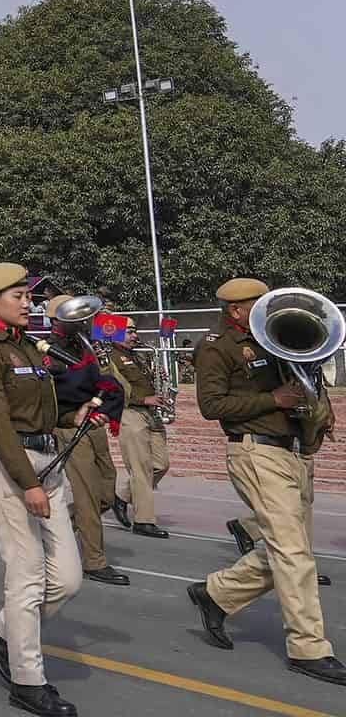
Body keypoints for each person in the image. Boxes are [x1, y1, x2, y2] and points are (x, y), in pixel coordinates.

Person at [187, 278, 345, 685]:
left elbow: (306, 378)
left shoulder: (273, 338)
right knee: (293, 552)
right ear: (235, 309)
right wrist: (272, 401)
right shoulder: (216, 347)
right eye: (257, 303)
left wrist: (318, 415)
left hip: (293, 450)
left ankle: (216, 594)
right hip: (256, 452)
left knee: (289, 547)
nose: (266, 308)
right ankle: (308, 648)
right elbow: (211, 405)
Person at [0, 263, 87, 717]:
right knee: (27, 578)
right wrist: (28, 483)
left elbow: (40, 413)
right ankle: (28, 681)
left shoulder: (29, 350)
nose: (27, 301)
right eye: (17, 295)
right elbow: (0, 426)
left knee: (69, 579)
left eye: (26, 294)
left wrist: (72, 417)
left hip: (47, 464)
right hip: (12, 471)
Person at [45, 295, 127, 587]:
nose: (84, 322)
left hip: (94, 423)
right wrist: (72, 416)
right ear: (57, 321)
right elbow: (47, 398)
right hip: (70, 427)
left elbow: (108, 382)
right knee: (89, 494)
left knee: (106, 488)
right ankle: (95, 561)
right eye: (75, 318)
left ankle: (55, 528)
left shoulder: (85, 345)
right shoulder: (50, 351)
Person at [105, 318, 170, 537]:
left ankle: (122, 497)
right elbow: (113, 388)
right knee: (141, 469)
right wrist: (145, 399)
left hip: (151, 415)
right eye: (129, 332)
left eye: (134, 332)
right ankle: (144, 521)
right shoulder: (108, 358)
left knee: (161, 464)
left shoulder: (138, 355)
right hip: (130, 413)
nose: (134, 336)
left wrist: (158, 378)